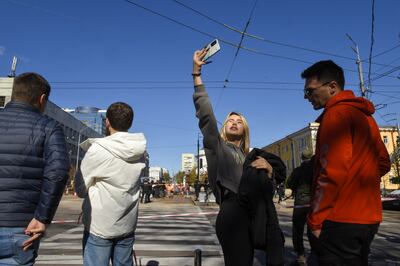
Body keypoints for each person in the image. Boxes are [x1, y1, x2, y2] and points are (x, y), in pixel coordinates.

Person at [192, 48, 279, 266]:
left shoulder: (251, 156)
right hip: (232, 215)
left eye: (239, 121)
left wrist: (269, 171)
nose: (233, 122)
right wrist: (197, 75)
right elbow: (207, 117)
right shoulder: (217, 147)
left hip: (256, 215)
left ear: (245, 130)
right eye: (230, 120)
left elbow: (268, 188)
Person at [301, 60, 391, 265]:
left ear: (332, 87)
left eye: (310, 91)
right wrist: (359, 182)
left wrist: (315, 218)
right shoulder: (366, 117)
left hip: (338, 219)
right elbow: (383, 162)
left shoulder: (335, 115)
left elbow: (331, 171)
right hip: (369, 217)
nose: (307, 98)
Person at [0, 72, 70, 265]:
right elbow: (57, 172)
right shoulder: (48, 127)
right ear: (42, 99)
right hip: (20, 228)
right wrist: (42, 217)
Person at [74, 102, 147, 266]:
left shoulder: (97, 150)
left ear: (107, 122)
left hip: (100, 225)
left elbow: (80, 189)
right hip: (127, 223)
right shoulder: (138, 151)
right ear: (130, 123)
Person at [286, 150, 314, 265]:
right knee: (313, 229)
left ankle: (301, 255)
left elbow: (290, 185)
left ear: (301, 158)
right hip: (313, 204)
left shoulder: (297, 171)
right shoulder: (316, 169)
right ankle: (315, 252)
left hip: (300, 205)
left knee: (298, 231)